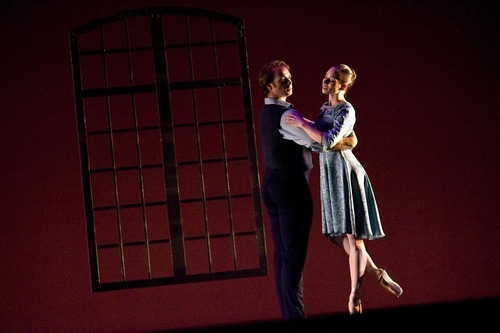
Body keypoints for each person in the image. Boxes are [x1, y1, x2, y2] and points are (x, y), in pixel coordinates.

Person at [282, 64, 403, 315]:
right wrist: (306, 128)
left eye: (330, 80)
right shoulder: (326, 108)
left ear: (342, 86)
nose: (325, 83)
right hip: (330, 176)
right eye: (325, 78)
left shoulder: (347, 110)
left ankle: (354, 296)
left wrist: (304, 124)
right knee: (336, 236)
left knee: (353, 238)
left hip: (346, 174)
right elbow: (319, 142)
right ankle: (377, 273)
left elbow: (326, 139)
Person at [258, 60, 356, 320]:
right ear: (269, 86)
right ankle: (295, 318)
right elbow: (320, 144)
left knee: (282, 258)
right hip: (290, 189)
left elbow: (311, 130)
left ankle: (289, 316)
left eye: (289, 77)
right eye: (282, 79)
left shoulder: (271, 112)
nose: (289, 82)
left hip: (272, 184)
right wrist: (349, 140)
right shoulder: (285, 116)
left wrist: (307, 124)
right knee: (292, 259)